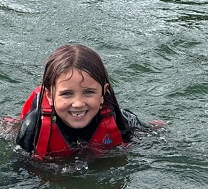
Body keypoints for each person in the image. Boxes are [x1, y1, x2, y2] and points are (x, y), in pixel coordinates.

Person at [15, 44, 160, 159]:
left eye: (88, 92)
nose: (78, 103)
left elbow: (156, 142)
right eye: (67, 94)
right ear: (50, 96)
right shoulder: (33, 127)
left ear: (103, 93)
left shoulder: (120, 119)